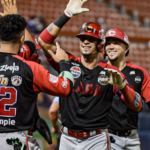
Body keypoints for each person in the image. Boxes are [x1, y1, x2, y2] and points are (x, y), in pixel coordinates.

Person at [38, 0, 143, 149]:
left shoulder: (111, 71)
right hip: (67, 138)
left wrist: (123, 86)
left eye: (91, 39)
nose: (85, 42)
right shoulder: (68, 62)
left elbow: (137, 105)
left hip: (96, 139)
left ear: (100, 45)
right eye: (82, 38)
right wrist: (66, 15)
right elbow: (43, 41)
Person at [0, 4, 74, 150]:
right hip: (16, 140)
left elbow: (28, 45)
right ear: (20, 40)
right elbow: (65, 88)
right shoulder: (30, 67)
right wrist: (64, 63)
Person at [104, 29, 150, 150]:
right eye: (108, 43)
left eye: (116, 43)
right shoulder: (98, 70)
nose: (111, 46)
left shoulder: (140, 72)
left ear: (127, 48)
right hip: (107, 136)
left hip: (133, 138)